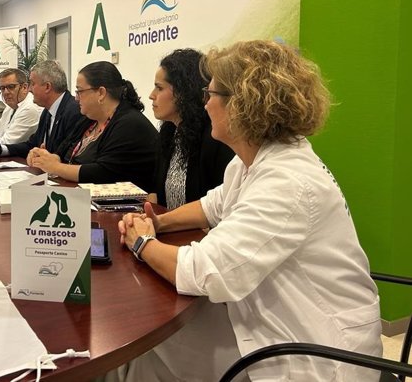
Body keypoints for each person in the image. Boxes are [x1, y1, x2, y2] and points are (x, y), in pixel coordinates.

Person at [116, 40, 381, 381]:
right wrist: (158, 223)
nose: (205, 103)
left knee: (146, 348)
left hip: (315, 350)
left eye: (210, 94)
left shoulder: (288, 181)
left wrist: (141, 242)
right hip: (276, 319)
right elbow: (213, 205)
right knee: (145, 347)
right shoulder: (255, 161)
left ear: (242, 105)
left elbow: (204, 272)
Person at [30, 61, 159, 193]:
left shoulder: (129, 123)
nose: (76, 98)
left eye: (80, 91)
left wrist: (56, 167)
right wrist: (46, 158)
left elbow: (102, 173)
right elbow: (63, 152)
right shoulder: (89, 121)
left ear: (101, 93)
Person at [151, 49, 234, 209]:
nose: (151, 95)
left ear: (183, 92)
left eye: (159, 88)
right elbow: (157, 194)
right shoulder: (170, 132)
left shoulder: (214, 137)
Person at [4, 60, 81, 158]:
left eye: (32, 84)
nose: (29, 89)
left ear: (47, 87)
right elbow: (32, 145)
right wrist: (1, 149)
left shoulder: (74, 111)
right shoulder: (47, 111)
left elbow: (65, 155)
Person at [0, 68, 41, 145]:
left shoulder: (30, 108)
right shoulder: (10, 107)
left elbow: (8, 142)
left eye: (11, 87)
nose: (6, 92)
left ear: (24, 87)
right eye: (2, 88)